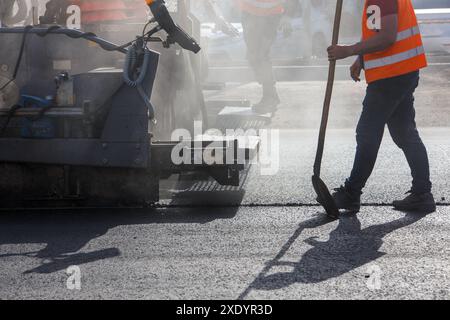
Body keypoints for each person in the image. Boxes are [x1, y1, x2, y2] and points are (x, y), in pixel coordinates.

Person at [326, 0, 435, 214]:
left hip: (391, 76)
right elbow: (377, 31)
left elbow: (387, 37)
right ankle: (422, 194)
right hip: (403, 71)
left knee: (367, 132)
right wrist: (362, 57)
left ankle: (351, 192)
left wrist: (349, 50)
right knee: (404, 134)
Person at [235, 0, 298, 113]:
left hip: (271, 15)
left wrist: (287, 17)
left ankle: (269, 97)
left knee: (262, 55)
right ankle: (271, 94)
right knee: (253, 56)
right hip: (249, 13)